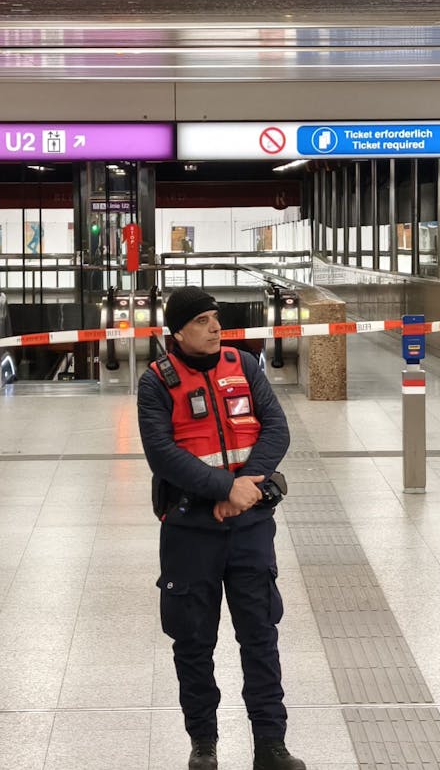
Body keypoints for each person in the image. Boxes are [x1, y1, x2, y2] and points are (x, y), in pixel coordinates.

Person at [137, 286, 306, 770]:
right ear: (178, 332)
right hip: (189, 530)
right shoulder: (156, 383)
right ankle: (204, 744)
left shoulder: (245, 364)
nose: (215, 327)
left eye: (216, 318)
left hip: (250, 525)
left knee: (260, 635)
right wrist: (223, 489)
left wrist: (244, 489)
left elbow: (276, 427)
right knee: (193, 641)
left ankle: (271, 745)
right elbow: (162, 454)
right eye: (203, 321)